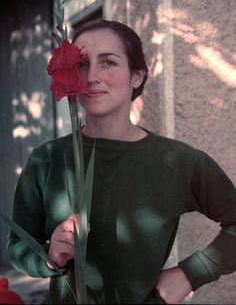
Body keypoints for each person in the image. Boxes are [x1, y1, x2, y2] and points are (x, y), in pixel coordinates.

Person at [8, 19, 236, 304]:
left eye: (108, 63)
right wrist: (49, 257)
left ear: (137, 76)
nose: (91, 76)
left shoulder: (178, 161)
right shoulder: (46, 160)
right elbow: (17, 246)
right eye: (81, 64)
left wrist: (191, 274)